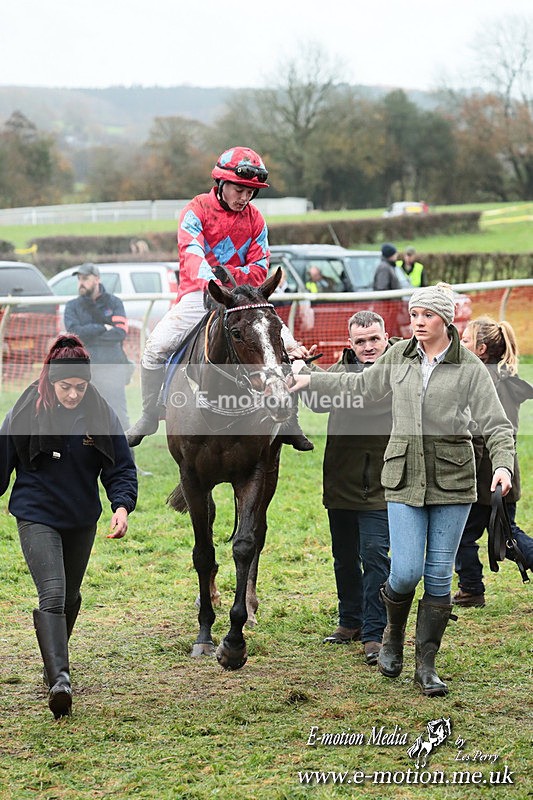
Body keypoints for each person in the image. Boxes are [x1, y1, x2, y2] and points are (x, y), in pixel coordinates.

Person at [290, 283, 515, 697]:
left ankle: (425, 666)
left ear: (446, 319)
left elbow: (497, 425)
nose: (417, 322)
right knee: (406, 570)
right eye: (414, 315)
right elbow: (358, 388)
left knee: (438, 577)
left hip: (454, 481)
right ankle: (393, 633)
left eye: (426, 315)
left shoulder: (470, 368)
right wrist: (311, 380)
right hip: (402, 478)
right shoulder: (399, 356)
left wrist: (502, 465)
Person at [126, 146, 313, 452]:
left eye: (251, 192)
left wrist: (227, 274)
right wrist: (217, 281)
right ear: (221, 184)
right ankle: (149, 415)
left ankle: (289, 419)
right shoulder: (195, 211)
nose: (244, 198)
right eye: (239, 189)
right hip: (198, 294)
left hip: (246, 299)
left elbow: (260, 267)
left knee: (286, 346)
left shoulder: (257, 220)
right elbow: (192, 254)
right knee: (156, 347)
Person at [0, 335, 137, 719]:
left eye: (80, 386)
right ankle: (60, 679)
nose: (74, 394)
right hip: (36, 513)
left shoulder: (100, 412)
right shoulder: (28, 407)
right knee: (54, 592)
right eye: (66, 387)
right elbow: (2, 459)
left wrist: (122, 506)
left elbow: (120, 466)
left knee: (71, 596)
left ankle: (52, 664)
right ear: (50, 381)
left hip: (80, 518)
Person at [318, 311, 394, 665]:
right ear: (350, 343)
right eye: (360, 341)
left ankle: (375, 632)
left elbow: (366, 397)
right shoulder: (337, 371)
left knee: (376, 557)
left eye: (374, 339)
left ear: (386, 337)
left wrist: (316, 380)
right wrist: (304, 373)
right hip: (341, 481)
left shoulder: (400, 370)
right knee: (343, 558)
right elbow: (316, 401)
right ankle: (349, 621)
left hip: (382, 484)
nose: (368, 347)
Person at [454, 317, 533, 607]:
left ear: (481, 349)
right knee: (502, 536)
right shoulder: (500, 377)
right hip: (497, 477)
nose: (460, 345)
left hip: (490, 478)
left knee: (495, 538)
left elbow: (484, 433)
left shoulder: (486, 381)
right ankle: (471, 588)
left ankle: (471, 589)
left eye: (465, 341)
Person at [63, 264, 150, 476]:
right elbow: (74, 334)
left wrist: (90, 333)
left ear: (96, 279)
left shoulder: (114, 302)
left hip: (113, 367)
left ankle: (130, 464)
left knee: (119, 417)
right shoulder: (72, 306)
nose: (81, 282)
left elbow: (120, 333)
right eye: (79, 278)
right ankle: (81, 465)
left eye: (85, 278)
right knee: (80, 416)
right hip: (84, 370)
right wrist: (102, 328)